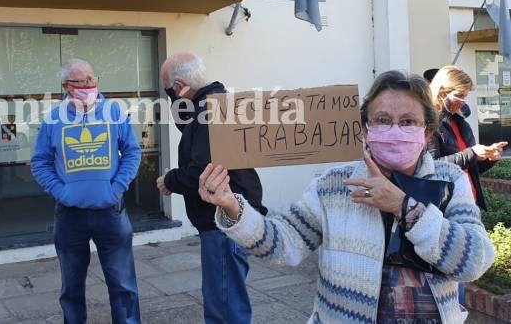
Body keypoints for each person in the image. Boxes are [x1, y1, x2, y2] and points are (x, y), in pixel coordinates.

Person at [199, 70, 495, 323]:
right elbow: (283, 244)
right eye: (382, 119)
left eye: (407, 121)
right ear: (365, 129)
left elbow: (475, 262)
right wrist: (232, 207)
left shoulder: (449, 181)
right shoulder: (334, 184)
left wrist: (404, 207)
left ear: (427, 131)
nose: (394, 130)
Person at [156, 52, 266, 324]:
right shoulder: (219, 104)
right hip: (231, 218)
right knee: (229, 298)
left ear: (180, 87)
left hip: (222, 223)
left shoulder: (209, 111)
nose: (170, 97)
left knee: (224, 305)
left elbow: (201, 172)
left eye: (169, 90)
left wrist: (169, 180)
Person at [31, 59, 142, 324]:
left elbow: (132, 152)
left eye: (93, 79)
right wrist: (62, 192)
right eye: (83, 81)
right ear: (67, 86)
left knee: (123, 286)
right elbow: (40, 162)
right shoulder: (54, 118)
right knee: (71, 289)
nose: (90, 85)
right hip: (70, 216)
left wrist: (116, 188)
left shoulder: (114, 111)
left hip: (111, 213)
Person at [428, 65, 506, 210]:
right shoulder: (429, 124)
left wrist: (488, 159)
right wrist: (472, 153)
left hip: (471, 202)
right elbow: (431, 167)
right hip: (447, 207)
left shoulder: (461, 123)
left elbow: (469, 169)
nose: (463, 101)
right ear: (442, 92)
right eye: (460, 95)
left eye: (466, 95)